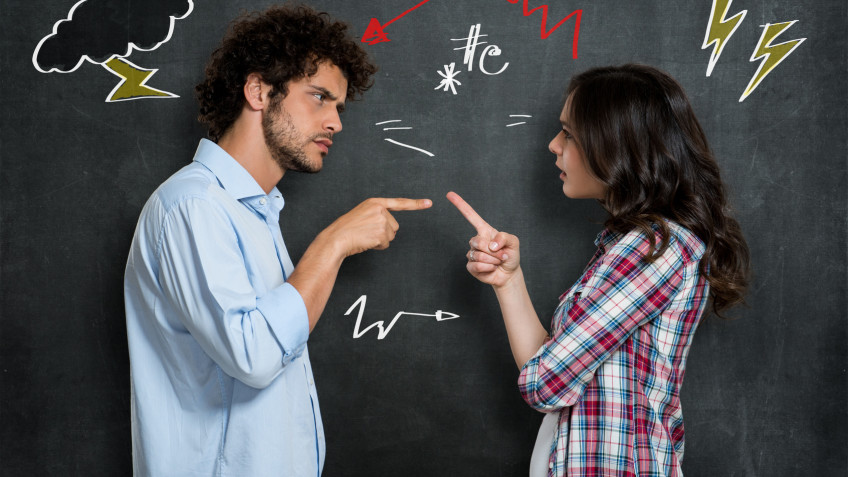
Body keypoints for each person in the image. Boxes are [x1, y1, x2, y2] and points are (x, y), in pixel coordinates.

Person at [123, 5, 431, 476]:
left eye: (338, 107)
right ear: (259, 90)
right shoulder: (194, 206)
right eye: (320, 98)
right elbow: (254, 356)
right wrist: (334, 243)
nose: (336, 123)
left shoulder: (255, 212)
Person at [448, 64, 750, 476]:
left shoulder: (652, 249)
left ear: (617, 144)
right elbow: (554, 368)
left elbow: (546, 384)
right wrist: (508, 281)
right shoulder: (632, 246)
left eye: (569, 134)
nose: (553, 145)